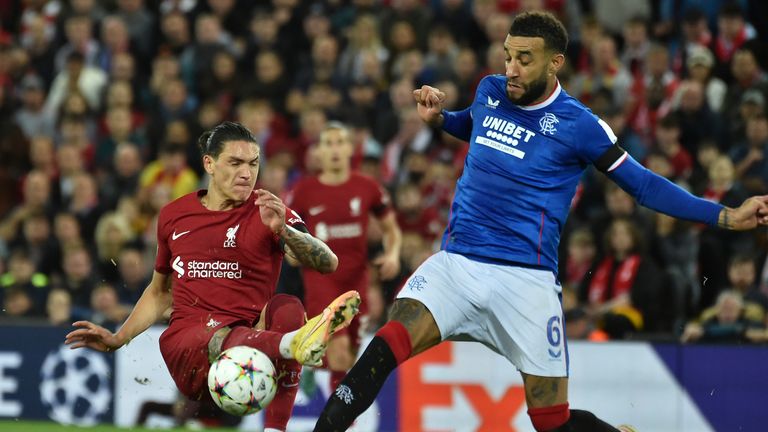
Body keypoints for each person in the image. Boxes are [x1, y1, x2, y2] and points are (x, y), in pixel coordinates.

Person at [313, 11, 768, 432]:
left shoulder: (580, 125)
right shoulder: (490, 90)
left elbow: (645, 186)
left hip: (525, 282)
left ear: (555, 63)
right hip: (458, 264)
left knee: (550, 420)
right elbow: (476, 125)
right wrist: (440, 119)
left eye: (524, 59)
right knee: (388, 340)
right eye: (508, 56)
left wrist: (725, 215)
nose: (511, 67)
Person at [65, 121, 362, 432]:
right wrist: (118, 337)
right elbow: (159, 292)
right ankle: (292, 344)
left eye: (253, 163)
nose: (246, 174)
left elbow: (328, 262)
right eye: (235, 163)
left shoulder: (268, 211)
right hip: (189, 346)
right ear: (209, 163)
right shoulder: (173, 215)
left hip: (248, 349)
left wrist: (284, 230)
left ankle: (275, 428)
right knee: (235, 334)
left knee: (287, 307)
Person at [287, 122, 402, 391]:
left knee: (348, 358)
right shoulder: (304, 192)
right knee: (339, 352)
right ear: (320, 152)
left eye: (340, 142)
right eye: (328, 143)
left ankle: (313, 363)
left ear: (351, 148)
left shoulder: (367, 187)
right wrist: (292, 252)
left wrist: (393, 254)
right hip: (321, 279)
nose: (335, 149)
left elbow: (391, 228)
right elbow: (288, 234)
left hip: (356, 281)